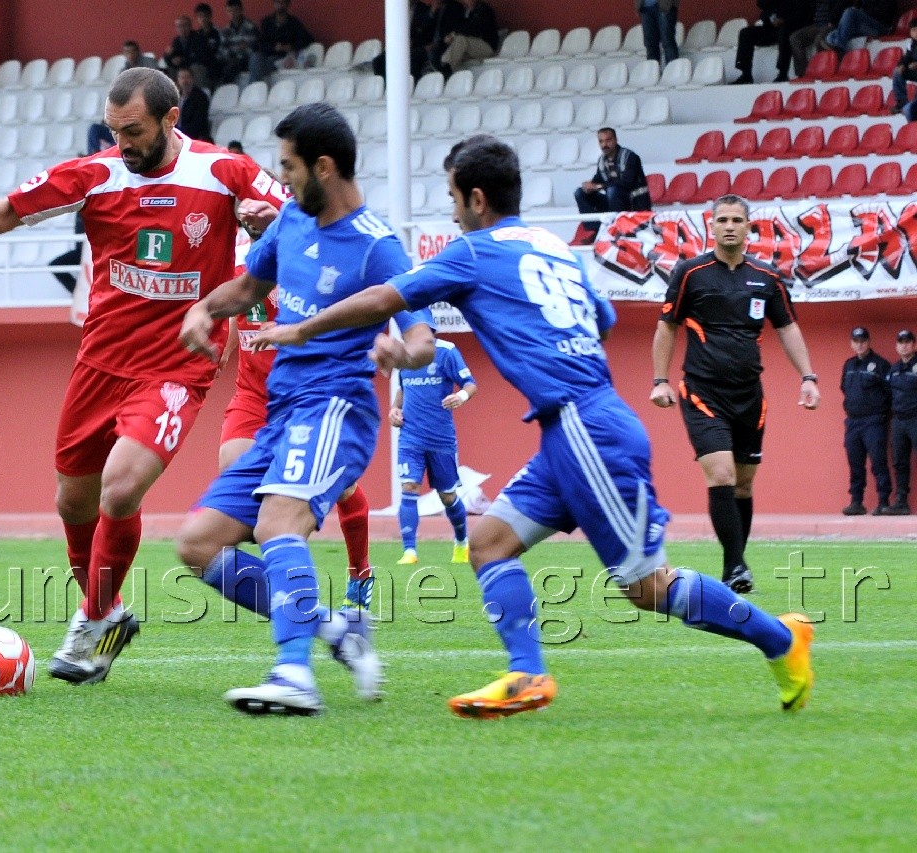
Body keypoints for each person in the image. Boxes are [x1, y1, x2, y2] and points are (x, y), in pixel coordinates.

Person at [251, 134, 816, 720]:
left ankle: (782, 640)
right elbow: (603, 317)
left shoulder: (471, 252)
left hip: (585, 430)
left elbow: (383, 297)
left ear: (475, 198)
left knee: (648, 588)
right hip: (570, 429)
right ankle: (526, 673)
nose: (449, 210)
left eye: (451, 197)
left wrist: (302, 329)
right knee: (489, 543)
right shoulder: (552, 244)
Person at [0, 67, 289, 686]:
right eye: (114, 131)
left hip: (176, 364)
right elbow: (13, 210)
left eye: (134, 131)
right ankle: (111, 612)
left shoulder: (225, 173)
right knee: (74, 501)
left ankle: (88, 621)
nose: (122, 144)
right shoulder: (96, 175)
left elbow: (306, 226)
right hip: (99, 362)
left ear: (172, 120)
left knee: (120, 489)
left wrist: (267, 228)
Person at [177, 102, 435, 716]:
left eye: (289, 167)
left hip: (335, 409)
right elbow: (248, 289)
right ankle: (337, 629)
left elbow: (423, 336)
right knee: (198, 544)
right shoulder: (290, 222)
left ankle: (294, 675)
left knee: (276, 527)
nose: (282, 179)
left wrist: (402, 354)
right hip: (280, 412)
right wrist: (203, 309)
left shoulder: (378, 247)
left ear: (324, 166)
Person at [651, 194, 820, 594]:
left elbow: (788, 328)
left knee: (743, 484)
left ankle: (736, 566)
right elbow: (666, 327)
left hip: (750, 397)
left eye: (737, 220)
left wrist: (808, 376)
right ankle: (735, 565)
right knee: (722, 474)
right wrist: (659, 381)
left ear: (749, 227)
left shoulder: (767, 276)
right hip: (702, 392)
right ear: (712, 226)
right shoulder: (691, 272)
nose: (729, 226)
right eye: (722, 219)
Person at [220, 242, 376, 612]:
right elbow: (234, 313)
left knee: (343, 486)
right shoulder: (235, 256)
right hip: (252, 397)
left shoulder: (304, 262)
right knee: (233, 472)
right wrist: (222, 350)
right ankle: (286, 578)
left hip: (301, 394)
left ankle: (360, 572)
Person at [392, 337, 476, 565]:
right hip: (410, 437)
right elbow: (402, 387)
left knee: (447, 496)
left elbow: (470, 383)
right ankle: (409, 551)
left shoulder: (447, 351)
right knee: (409, 487)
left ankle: (461, 543)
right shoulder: (404, 352)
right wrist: (394, 409)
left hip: (441, 438)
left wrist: (460, 396)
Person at [840, 327, 892, 515]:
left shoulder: (880, 365)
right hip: (853, 422)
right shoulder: (849, 365)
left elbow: (889, 393)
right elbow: (844, 389)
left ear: (869, 342)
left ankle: (884, 502)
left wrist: (880, 414)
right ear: (852, 343)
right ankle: (856, 502)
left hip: (873, 421)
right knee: (855, 463)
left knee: (878, 461)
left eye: (863, 340)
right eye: (856, 340)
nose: (859, 344)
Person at [572, 127, 650, 245]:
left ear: (615, 140)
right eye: (601, 141)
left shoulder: (630, 157)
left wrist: (599, 186)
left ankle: (617, 231)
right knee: (580, 192)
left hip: (635, 203)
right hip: (614, 202)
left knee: (612, 190)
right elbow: (598, 179)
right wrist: (589, 185)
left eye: (608, 140)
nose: (605, 144)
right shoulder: (602, 160)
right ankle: (595, 230)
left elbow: (627, 182)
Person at [734, 2, 812, 85]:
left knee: (784, 32)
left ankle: (783, 73)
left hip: (792, 28)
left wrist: (784, 21)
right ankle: (746, 75)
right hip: (773, 28)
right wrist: (772, 19)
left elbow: (802, 14)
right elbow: (764, 11)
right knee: (745, 33)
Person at [883, 329, 917, 515]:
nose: (904, 345)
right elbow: (888, 395)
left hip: (915, 419)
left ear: (914, 345)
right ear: (897, 346)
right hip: (898, 421)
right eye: (901, 342)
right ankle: (901, 502)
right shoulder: (894, 369)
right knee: (899, 462)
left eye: (907, 341)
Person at [250, 0, 314, 81]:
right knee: (255, 58)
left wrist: (290, 46)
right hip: (266, 55)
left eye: (282, 2)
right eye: (277, 2)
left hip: (283, 58)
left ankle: (256, 89)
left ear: (288, 4)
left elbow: (308, 39)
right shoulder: (267, 22)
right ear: (274, 4)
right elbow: (259, 44)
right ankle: (256, 88)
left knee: (261, 66)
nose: (280, 5)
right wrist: (274, 47)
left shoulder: (294, 23)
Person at [372, 0, 435, 80]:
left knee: (412, 58)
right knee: (378, 61)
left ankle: (412, 84)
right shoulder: (396, 10)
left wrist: (412, 42)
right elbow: (386, 29)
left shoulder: (424, 9)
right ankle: (387, 86)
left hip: (416, 46)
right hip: (399, 45)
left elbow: (424, 32)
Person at [790, 0, 850, 79]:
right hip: (816, 26)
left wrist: (832, 20)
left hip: (832, 25)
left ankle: (823, 69)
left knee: (819, 40)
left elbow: (841, 7)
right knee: (794, 37)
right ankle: (803, 73)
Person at [438, 0, 500, 75]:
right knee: (456, 51)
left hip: (487, 48)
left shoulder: (484, 9)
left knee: (461, 39)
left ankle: (445, 67)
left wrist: (454, 35)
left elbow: (473, 28)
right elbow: (461, 27)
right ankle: (451, 76)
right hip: (473, 49)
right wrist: (451, 37)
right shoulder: (468, 12)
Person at [824, 0, 897, 54]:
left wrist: (862, 13)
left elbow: (885, 14)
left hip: (880, 28)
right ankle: (839, 47)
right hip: (864, 26)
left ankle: (840, 50)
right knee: (829, 36)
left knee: (850, 12)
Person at [218, 0, 260, 85]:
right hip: (232, 60)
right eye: (229, 11)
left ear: (241, 10)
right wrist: (239, 47)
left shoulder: (251, 27)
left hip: (247, 60)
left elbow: (252, 48)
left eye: (235, 10)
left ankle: (222, 87)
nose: (232, 14)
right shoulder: (225, 30)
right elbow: (223, 51)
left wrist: (234, 47)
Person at [175, 67, 213, 142]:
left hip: (195, 137)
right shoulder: (175, 97)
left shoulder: (200, 97)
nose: (185, 81)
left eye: (187, 77)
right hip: (178, 136)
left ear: (192, 79)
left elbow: (198, 121)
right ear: (178, 80)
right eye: (182, 78)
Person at [638, 0, 680, 65]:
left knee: (667, 42)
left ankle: (672, 72)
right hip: (645, 7)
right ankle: (652, 72)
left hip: (664, 5)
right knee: (650, 45)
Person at [891, 18, 917, 117]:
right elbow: (906, 58)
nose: (915, 33)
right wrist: (902, 65)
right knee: (897, 72)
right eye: (913, 30)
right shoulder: (911, 44)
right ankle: (902, 102)